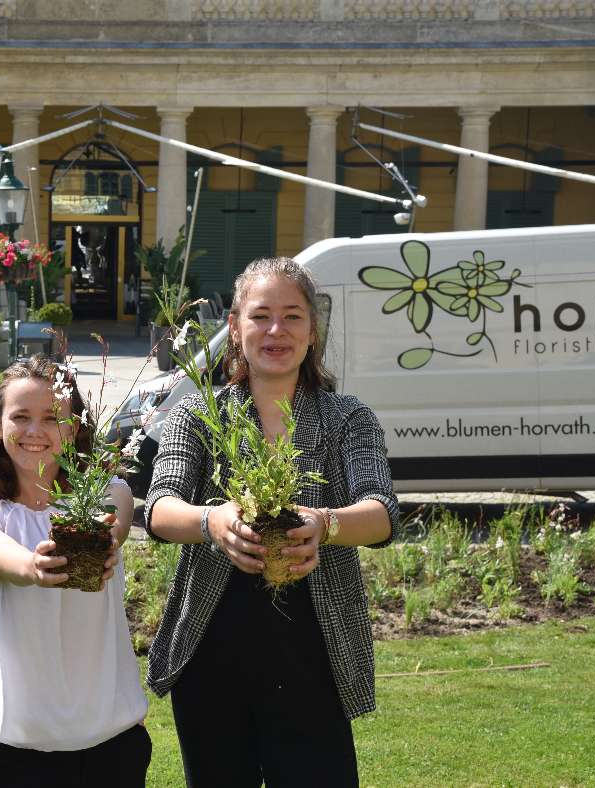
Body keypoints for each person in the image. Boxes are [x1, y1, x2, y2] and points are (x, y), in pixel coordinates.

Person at [144, 257, 400, 787]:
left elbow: (380, 512)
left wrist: (326, 523)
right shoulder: (197, 414)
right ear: (235, 329)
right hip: (211, 658)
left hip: (314, 659)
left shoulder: (347, 417)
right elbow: (160, 507)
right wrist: (212, 521)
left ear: (312, 332)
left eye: (293, 316)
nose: (276, 331)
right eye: (261, 316)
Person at [0, 357, 151, 788]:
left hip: (113, 743)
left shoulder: (107, 495)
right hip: (18, 751)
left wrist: (101, 546)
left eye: (52, 418)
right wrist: (33, 566)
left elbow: (111, 528)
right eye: (19, 417)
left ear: (74, 427)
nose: (35, 431)